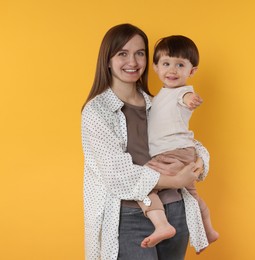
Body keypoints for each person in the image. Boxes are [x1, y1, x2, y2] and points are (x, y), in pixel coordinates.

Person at [81, 24, 210, 260]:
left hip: (175, 210)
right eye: (122, 53)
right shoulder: (97, 111)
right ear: (107, 60)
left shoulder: (156, 102)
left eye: (139, 53)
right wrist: (176, 178)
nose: (132, 61)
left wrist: (201, 160)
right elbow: (116, 173)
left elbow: (182, 139)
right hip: (126, 217)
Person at [137, 35, 219, 251]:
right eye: (166, 64)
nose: (172, 70)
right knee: (192, 196)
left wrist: (190, 101)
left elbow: (185, 99)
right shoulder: (157, 98)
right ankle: (209, 230)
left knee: (141, 182)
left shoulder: (182, 92)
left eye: (180, 65)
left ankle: (162, 225)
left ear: (191, 71)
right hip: (182, 153)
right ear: (155, 67)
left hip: (172, 154)